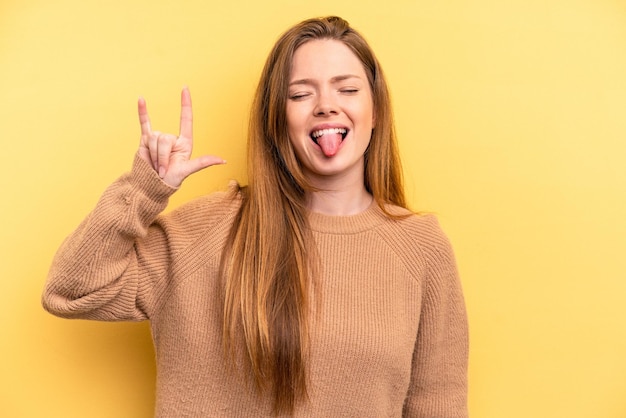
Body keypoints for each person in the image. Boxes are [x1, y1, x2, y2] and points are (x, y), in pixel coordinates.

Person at [42, 16, 468, 417]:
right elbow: (71, 289)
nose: (325, 106)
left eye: (347, 89)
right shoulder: (208, 230)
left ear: (375, 112)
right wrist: (143, 189)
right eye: (301, 94)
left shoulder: (421, 247)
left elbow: (438, 406)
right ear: (277, 121)